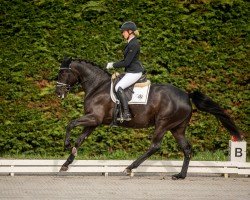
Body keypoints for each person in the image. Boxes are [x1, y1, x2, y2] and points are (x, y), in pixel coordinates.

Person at [106, 21, 144, 121]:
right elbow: (125, 61)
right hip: (131, 71)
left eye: (124, 32)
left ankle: (126, 113)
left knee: (118, 87)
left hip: (134, 72)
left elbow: (126, 62)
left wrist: (113, 65)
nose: (122, 34)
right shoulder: (130, 43)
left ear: (130, 31)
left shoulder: (134, 44)